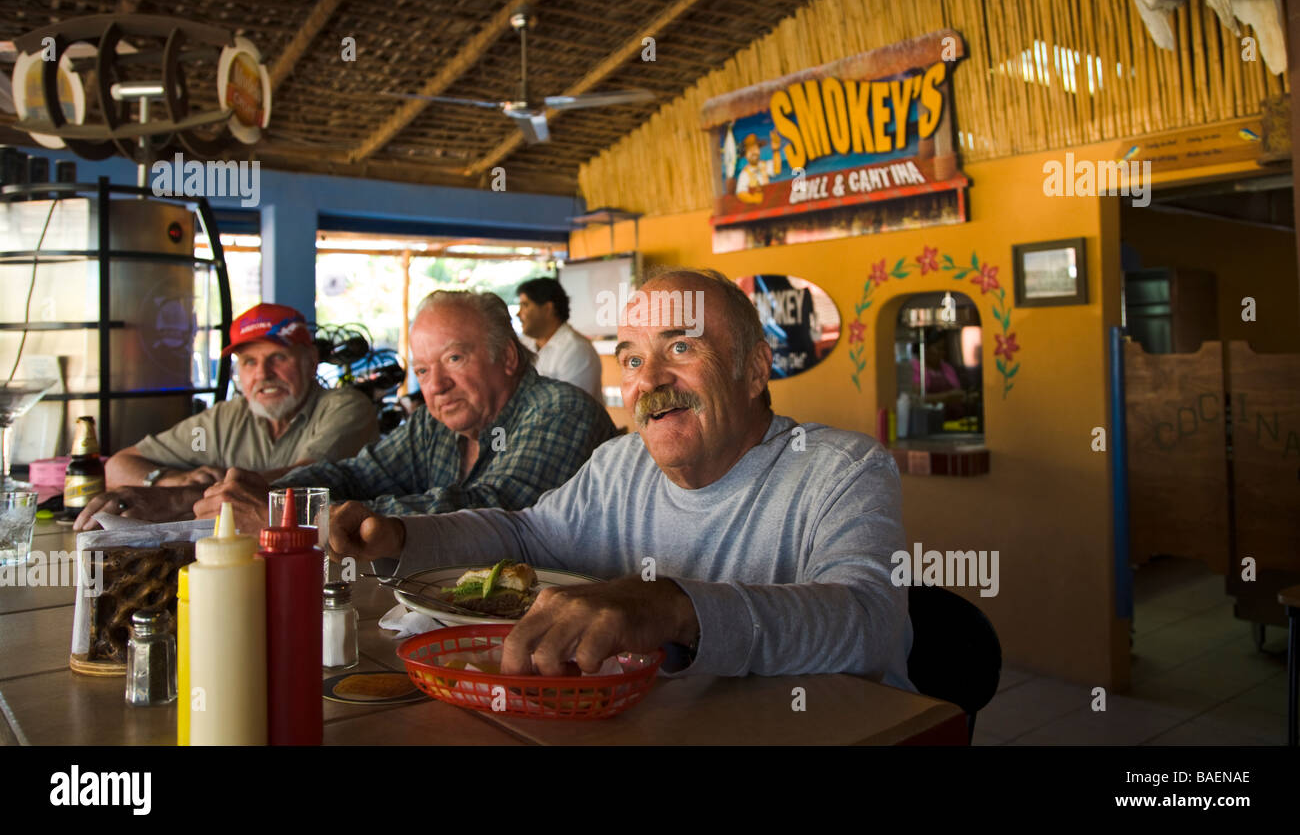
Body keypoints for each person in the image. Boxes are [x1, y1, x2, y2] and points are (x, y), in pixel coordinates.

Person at [330, 268, 914, 687]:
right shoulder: (620, 464)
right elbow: (524, 538)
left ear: (755, 368)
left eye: (680, 347)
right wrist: (404, 538)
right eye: (632, 359)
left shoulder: (841, 469)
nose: (649, 380)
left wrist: (670, 607)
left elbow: (868, 624)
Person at [180, 289, 618, 535]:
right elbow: (357, 474)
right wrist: (267, 493)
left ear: (506, 358)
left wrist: (286, 515)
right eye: (423, 370)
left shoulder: (561, 411)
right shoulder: (436, 423)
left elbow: (492, 514)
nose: (435, 385)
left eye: (453, 360)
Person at [76, 303, 378, 521]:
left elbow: (306, 480)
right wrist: (169, 480)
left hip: (326, 566)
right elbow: (119, 465)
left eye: (278, 357)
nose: (263, 373)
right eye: (249, 362)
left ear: (311, 361)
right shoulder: (224, 419)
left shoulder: (346, 408)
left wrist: (180, 498)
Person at [516, 276, 602, 400]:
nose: (518, 314)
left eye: (525, 305)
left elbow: (567, 406)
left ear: (548, 309)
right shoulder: (524, 343)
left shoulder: (576, 349)